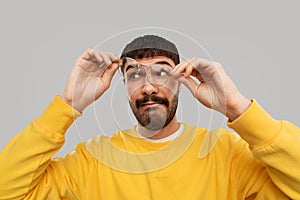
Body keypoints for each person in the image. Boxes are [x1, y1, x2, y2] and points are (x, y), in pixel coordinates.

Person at [0, 35, 299, 200]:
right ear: (124, 86)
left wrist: (237, 108)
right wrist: (68, 104)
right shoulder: (93, 159)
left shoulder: (224, 152)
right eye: (134, 74)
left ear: (181, 79)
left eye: (162, 71)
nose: (148, 86)